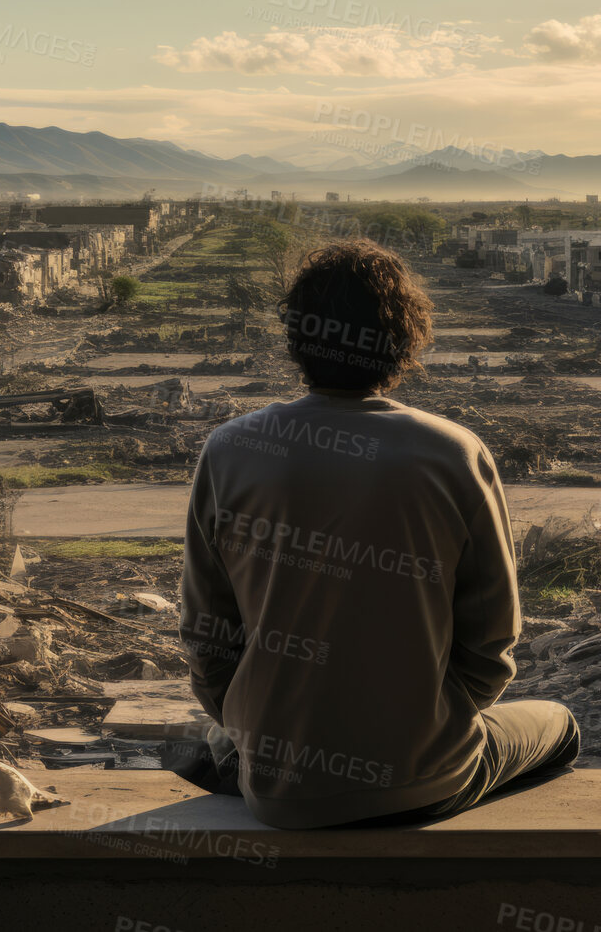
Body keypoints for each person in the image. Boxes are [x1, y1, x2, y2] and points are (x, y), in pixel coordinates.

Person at [175, 239, 579, 829]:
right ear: (404, 342)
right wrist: (426, 722)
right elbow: (492, 645)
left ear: (297, 340)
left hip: (278, 789)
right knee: (560, 723)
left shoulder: (231, 448)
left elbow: (206, 635)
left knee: (204, 743)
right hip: (426, 781)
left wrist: (250, 725)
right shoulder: (453, 452)